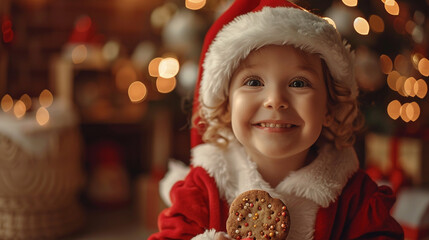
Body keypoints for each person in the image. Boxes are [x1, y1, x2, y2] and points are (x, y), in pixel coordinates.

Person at [149, 0, 404, 239]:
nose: (275, 100)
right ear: (226, 106)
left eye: (298, 83)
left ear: (329, 106)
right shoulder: (203, 189)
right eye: (253, 82)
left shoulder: (355, 198)